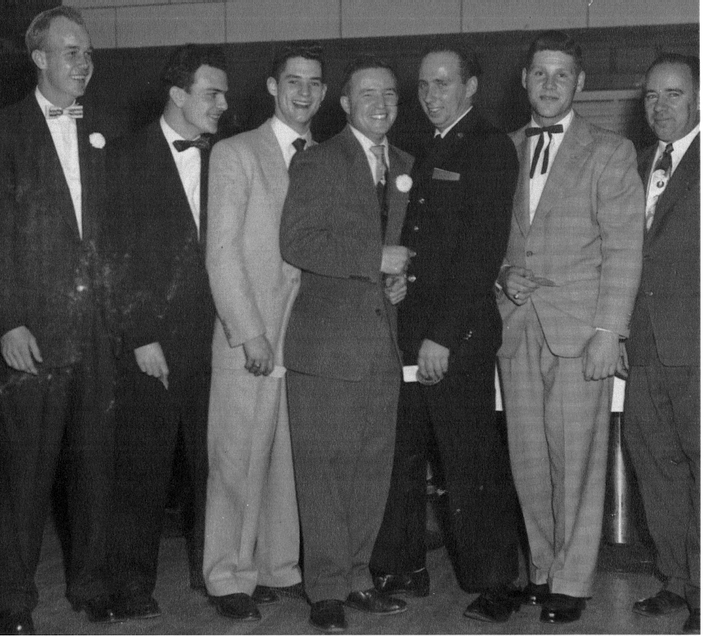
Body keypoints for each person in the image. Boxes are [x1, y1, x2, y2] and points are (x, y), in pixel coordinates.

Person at [369, 43, 522, 624]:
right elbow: (423, 242)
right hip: (414, 329)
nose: (432, 95)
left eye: (443, 84)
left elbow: (481, 253)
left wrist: (442, 334)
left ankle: (494, 584)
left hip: (454, 336)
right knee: (405, 455)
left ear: (472, 87)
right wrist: (400, 284)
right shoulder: (426, 146)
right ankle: (406, 565)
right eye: (425, 86)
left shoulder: (488, 147)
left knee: (470, 461)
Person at [497, 30, 644, 625]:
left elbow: (624, 247)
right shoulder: (503, 148)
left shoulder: (610, 151)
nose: (550, 84)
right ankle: (541, 567)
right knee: (528, 458)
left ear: (580, 84)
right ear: (525, 80)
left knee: (577, 461)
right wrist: (504, 274)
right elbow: (494, 242)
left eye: (562, 75)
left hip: (582, 331)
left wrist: (610, 330)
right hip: (518, 325)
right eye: (540, 73)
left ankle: (574, 578)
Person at [0, 7, 115, 634]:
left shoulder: (103, 127)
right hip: (32, 332)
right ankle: (12, 600)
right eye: (69, 52)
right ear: (38, 57)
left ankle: (90, 585)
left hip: (97, 333)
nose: (82, 63)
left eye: (86, 52)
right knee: (24, 474)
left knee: (92, 467)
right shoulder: (0, 130)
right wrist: (9, 320)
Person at [280, 56, 414, 633]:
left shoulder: (406, 164)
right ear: (345, 102)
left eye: (389, 94)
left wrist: (400, 279)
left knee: (371, 469)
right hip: (326, 346)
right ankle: (327, 588)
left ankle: (358, 576)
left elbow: (404, 248)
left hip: (381, 346)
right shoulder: (319, 160)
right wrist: (373, 261)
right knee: (324, 472)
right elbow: (297, 241)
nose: (379, 103)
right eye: (367, 94)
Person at [101, 43, 228, 621]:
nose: (223, 105)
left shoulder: (226, 156)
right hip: (150, 343)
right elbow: (113, 256)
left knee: (213, 464)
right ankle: (130, 585)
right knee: (143, 468)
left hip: (216, 338)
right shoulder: (124, 157)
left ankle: (216, 574)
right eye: (211, 93)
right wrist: (139, 335)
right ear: (177, 95)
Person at [202, 42, 326, 621]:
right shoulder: (235, 153)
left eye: (314, 83)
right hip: (250, 333)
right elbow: (220, 251)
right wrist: (247, 330)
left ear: (324, 93)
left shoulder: (327, 156)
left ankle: (279, 569)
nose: (304, 92)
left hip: (304, 334)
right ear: (273, 88)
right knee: (238, 459)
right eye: (292, 81)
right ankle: (228, 576)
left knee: (286, 461)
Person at [622, 53, 699, 635]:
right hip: (644, 348)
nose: (660, 106)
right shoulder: (640, 162)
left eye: (674, 94)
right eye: (651, 95)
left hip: (696, 346)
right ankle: (680, 580)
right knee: (657, 467)